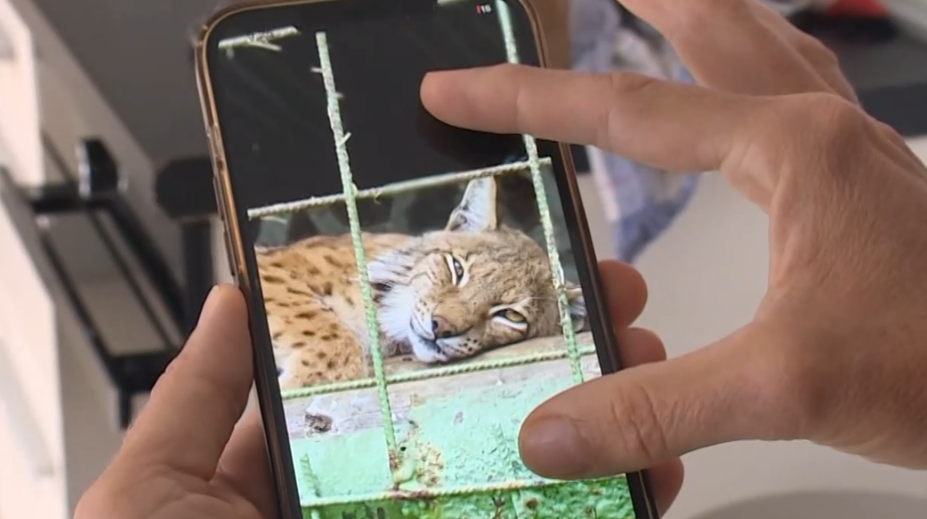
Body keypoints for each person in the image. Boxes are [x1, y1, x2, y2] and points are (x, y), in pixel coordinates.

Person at [74, 1, 927, 517]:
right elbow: (280, 284)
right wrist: (343, 362)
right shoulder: (381, 257)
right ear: (448, 233)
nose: (449, 320)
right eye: (453, 277)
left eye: (506, 316)